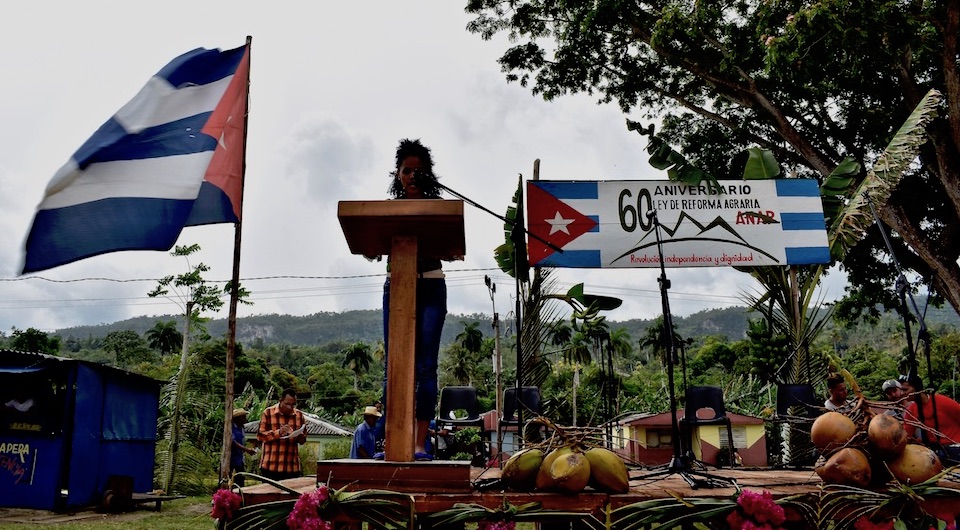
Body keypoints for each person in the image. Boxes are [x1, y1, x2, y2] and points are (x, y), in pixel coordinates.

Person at [376, 138, 449, 462]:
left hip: (431, 287)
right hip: (397, 286)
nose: (411, 175)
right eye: (406, 170)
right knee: (395, 366)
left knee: (425, 368)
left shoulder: (439, 208)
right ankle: (393, 441)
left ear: (428, 175)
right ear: (397, 174)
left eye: (418, 171)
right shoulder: (387, 211)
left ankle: (420, 443)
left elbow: (452, 243)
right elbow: (371, 247)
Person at [901, 375, 960, 464]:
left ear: (917, 388)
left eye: (905, 390)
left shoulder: (942, 401)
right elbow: (907, 435)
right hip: (935, 452)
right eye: (901, 390)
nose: (902, 393)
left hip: (955, 446)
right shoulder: (911, 410)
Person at [257, 388, 307, 480]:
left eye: (293, 405)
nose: (290, 407)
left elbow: (303, 440)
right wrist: (278, 432)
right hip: (271, 466)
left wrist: (300, 437)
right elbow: (260, 436)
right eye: (287, 404)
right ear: (281, 400)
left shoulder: (299, 416)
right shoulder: (268, 413)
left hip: (291, 468)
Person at [230, 408, 256, 486]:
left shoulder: (242, 428)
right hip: (231, 459)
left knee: (240, 480)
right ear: (237, 418)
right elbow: (232, 442)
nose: (245, 419)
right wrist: (246, 449)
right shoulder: (231, 428)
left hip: (239, 459)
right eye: (243, 417)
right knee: (230, 479)